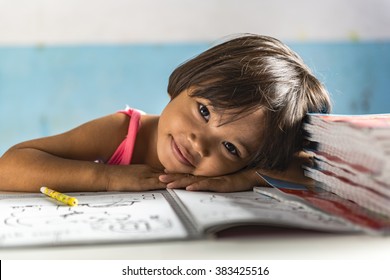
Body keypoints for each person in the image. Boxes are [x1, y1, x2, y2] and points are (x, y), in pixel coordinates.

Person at [0, 34, 331, 193]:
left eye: (231, 148)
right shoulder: (123, 132)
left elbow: (320, 172)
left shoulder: (237, 169)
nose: (200, 145)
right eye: (203, 111)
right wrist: (107, 177)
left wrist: (243, 177)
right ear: (188, 81)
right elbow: (10, 167)